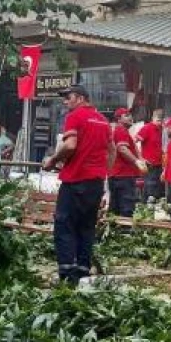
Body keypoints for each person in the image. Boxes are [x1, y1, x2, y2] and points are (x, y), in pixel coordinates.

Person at [42, 84, 113, 286]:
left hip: (75, 180)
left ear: (80, 98)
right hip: (95, 183)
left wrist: (52, 160)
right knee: (86, 226)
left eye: (68, 97)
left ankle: (67, 274)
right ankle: (82, 272)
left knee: (64, 225)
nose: (65, 102)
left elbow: (70, 145)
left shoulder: (75, 116)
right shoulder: (103, 120)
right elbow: (112, 150)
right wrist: (103, 174)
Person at [108, 107, 147, 217]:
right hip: (123, 176)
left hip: (118, 175)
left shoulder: (120, 131)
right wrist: (136, 162)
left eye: (130, 115)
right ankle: (125, 232)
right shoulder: (121, 130)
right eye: (126, 115)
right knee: (126, 208)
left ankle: (115, 231)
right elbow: (122, 149)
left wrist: (140, 160)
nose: (130, 117)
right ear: (119, 119)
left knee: (115, 208)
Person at [135, 109, 165, 202]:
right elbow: (134, 142)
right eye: (157, 120)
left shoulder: (161, 129)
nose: (159, 123)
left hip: (159, 163)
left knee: (157, 189)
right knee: (149, 188)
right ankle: (145, 206)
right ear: (152, 118)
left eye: (161, 121)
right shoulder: (147, 128)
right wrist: (140, 158)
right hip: (149, 164)